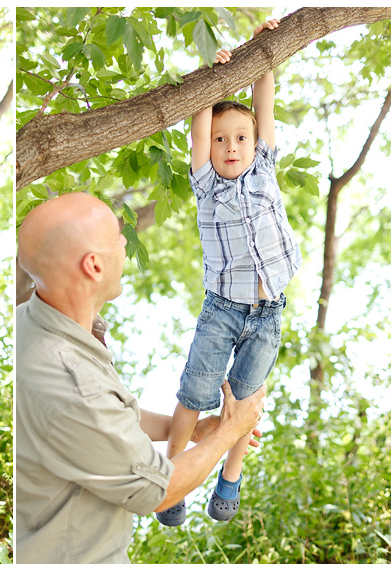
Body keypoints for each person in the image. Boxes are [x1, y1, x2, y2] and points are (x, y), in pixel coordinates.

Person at [16, 192, 266, 563]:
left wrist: (188, 430)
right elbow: (157, 492)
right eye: (118, 237)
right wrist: (230, 431)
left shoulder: (28, 323)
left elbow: (105, 421)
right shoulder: (71, 380)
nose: (126, 244)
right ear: (94, 266)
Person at [157, 19, 302, 527]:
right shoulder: (205, 185)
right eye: (222, 140)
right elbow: (201, 122)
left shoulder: (264, 167)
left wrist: (264, 50)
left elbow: (265, 100)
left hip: (268, 312)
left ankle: (231, 476)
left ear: (255, 141)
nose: (232, 146)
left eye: (241, 137)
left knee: (245, 400)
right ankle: (169, 479)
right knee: (195, 393)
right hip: (221, 310)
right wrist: (210, 77)